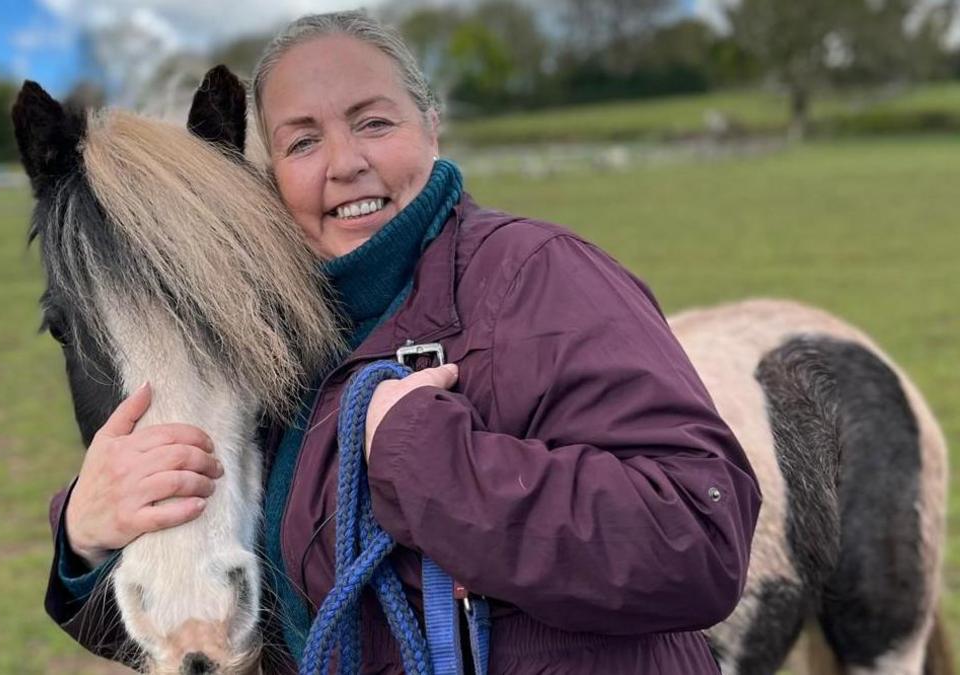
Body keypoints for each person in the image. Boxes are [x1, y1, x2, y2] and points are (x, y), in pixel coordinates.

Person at [44, 10, 762, 674]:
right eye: (301, 140)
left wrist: (425, 455)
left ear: (432, 128)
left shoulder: (539, 276)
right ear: (269, 175)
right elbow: (206, 617)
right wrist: (85, 536)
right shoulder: (278, 343)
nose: (345, 163)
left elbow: (699, 539)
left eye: (374, 123)